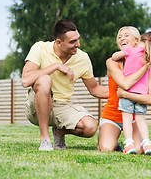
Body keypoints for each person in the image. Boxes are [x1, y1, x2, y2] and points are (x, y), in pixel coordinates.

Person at [22, 19, 109, 151]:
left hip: (62, 106)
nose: (78, 44)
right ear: (58, 42)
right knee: (44, 80)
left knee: (90, 127)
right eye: (73, 42)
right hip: (37, 107)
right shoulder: (40, 48)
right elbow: (25, 80)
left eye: (78, 39)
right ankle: (45, 140)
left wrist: (124, 91)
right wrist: (56, 66)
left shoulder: (83, 58)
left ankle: (59, 132)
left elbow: (95, 89)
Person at [97, 26, 151, 156]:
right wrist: (146, 67)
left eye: (126, 35)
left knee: (139, 149)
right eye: (119, 37)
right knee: (107, 147)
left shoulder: (147, 67)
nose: (122, 38)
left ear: (137, 41)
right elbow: (125, 84)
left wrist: (126, 95)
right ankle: (114, 141)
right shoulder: (112, 62)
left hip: (134, 117)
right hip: (112, 116)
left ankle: (129, 142)